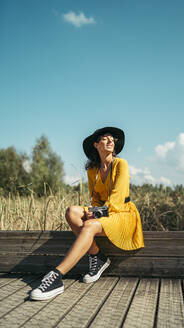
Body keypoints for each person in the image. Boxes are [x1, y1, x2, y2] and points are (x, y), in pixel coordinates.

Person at [30, 127, 144, 301]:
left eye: (112, 139)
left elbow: (118, 198)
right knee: (72, 212)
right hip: (104, 213)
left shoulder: (121, 164)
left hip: (122, 213)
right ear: (96, 145)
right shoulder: (93, 170)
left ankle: (56, 276)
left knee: (89, 224)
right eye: (105, 139)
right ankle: (97, 255)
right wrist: (94, 211)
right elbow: (95, 199)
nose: (111, 141)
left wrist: (97, 214)